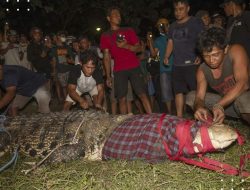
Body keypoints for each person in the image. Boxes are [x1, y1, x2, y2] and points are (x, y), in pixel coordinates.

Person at [186, 27, 250, 125]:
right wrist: (199, 107)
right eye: (206, 56)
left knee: (242, 99)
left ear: (225, 49)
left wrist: (219, 105)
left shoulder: (236, 51)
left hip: (245, 102)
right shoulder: (202, 70)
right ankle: (213, 125)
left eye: (215, 54)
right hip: (227, 105)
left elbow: (243, 83)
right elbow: (199, 98)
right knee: (191, 97)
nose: (211, 60)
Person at [100, 6, 152, 114]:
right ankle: (123, 123)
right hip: (119, 70)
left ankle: (153, 119)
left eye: (119, 15)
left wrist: (126, 46)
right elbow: (106, 56)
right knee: (121, 98)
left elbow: (139, 48)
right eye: (115, 15)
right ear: (109, 18)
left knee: (142, 94)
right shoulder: (105, 35)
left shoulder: (128, 30)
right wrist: (108, 76)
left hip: (134, 66)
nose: (119, 17)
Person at [164, 0, 204, 117]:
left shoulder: (195, 22)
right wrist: (166, 56)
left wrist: (200, 55)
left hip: (192, 63)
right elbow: (170, 42)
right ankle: (179, 117)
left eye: (181, 9)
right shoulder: (172, 26)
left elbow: (202, 39)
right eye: (176, 9)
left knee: (195, 91)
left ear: (188, 8)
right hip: (177, 64)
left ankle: (199, 115)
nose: (178, 12)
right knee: (178, 91)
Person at [147, 18, 174, 114]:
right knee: (166, 93)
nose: (161, 28)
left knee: (180, 91)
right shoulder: (158, 40)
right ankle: (170, 114)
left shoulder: (173, 37)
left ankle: (182, 113)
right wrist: (150, 41)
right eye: (159, 26)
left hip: (176, 67)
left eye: (163, 25)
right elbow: (153, 54)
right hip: (164, 69)